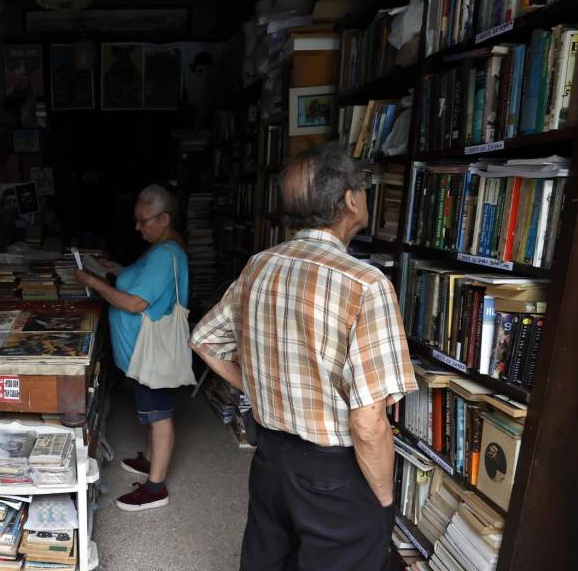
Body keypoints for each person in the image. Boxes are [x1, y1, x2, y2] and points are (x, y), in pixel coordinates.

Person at [190, 143, 417, 571]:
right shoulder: (365, 284)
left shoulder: (259, 265)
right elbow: (368, 421)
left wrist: (259, 385)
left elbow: (204, 341)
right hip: (334, 472)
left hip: (271, 459)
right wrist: (384, 501)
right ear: (350, 199)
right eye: (363, 188)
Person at [75, 184, 189, 512]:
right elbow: (144, 281)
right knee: (154, 412)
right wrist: (116, 270)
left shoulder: (166, 253)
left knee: (160, 416)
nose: (137, 227)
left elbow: (137, 302)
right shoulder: (161, 247)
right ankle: (151, 461)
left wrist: (94, 283)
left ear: (164, 218)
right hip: (143, 353)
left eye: (143, 220)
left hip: (153, 353)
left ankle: (156, 488)